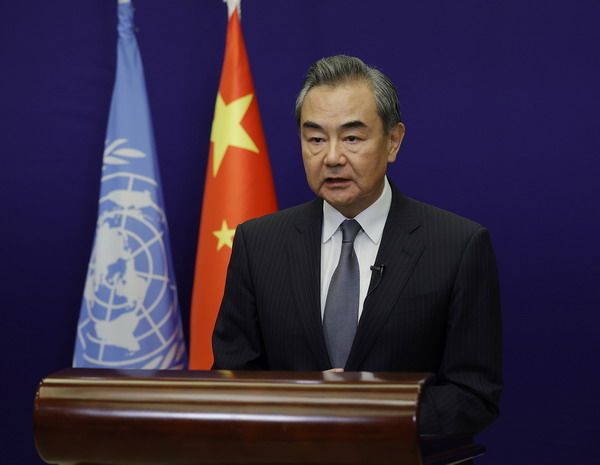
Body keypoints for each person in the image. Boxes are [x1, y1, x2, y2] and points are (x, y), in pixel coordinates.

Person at [212, 55, 502, 438]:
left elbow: (473, 395)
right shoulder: (259, 244)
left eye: (352, 138)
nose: (332, 157)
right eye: (316, 139)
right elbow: (233, 380)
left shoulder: (457, 246)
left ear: (393, 141)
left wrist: (369, 411)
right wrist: (304, 403)